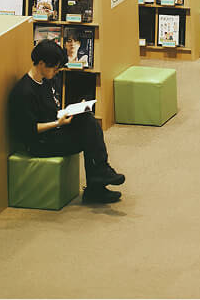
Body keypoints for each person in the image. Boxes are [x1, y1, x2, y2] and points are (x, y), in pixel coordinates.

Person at [8, 39, 125, 204]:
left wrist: (74, 109)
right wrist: (58, 123)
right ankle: (97, 184)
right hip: (39, 143)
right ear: (41, 64)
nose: (56, 72)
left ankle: (100, 175)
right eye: (54, 68)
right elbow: (29, 130)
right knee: (88, 136)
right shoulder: (24, 92)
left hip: (54, 131)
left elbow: (51, 111)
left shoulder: (45, 81)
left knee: (88, 120)